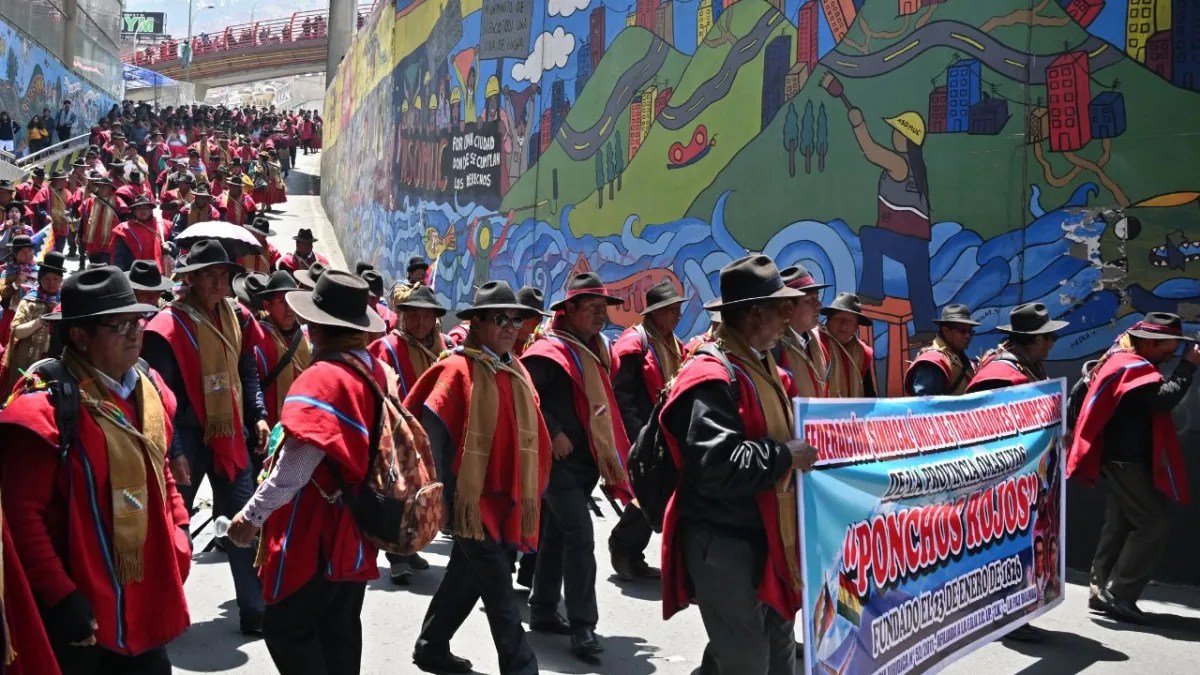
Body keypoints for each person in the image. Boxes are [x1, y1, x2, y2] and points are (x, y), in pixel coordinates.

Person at [0, 265, 191, 674]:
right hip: (83, 617)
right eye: (118, 325)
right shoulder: (46, 410)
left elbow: (161, 472)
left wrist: (180, 532)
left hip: (147, 602)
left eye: (137, 320)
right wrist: (63, 596)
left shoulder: (150, 388)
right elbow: (21, 516)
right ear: (79, 336)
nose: (135, 333)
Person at [225, 271, 398, 675]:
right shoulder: (376, 370)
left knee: (288, 629)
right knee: (339, 627)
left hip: (319, 528)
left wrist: (251, 517)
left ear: (318, 325)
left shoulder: (324, 379)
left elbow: (296, 468)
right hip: (357, 521)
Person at [657, 255, 816, 674]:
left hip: (767, 535)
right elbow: (716, 463)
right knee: (747, 660)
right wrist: (785, 455)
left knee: (776, 651)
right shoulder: (710, 376)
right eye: (780, 309)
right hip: (724, 540)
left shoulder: (764, 366)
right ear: (753, 314)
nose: (788, 318)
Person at [407, 281, 551, 675]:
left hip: (507, 499)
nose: (510, 326)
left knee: (465, 578)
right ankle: (521, 667)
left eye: (515, 318)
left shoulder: (515, 369)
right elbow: (430, 433)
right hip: (473, 504)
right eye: (499, 318)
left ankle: (431, 646)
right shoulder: (457, 369)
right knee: (500, 592)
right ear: (477, 324)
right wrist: (447, 502)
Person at [142, 240, 269, 635]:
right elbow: (161, 395)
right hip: (188, 439)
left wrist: (260, 414)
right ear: (191, 279)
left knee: (243, 521)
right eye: (209, 275)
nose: (218, 282)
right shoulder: (167, 327)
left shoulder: (238, 317)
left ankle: (254, 610)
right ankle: (161, 612)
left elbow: (248, 370)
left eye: (223, 275)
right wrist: (175, 450)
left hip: (231, 435)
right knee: (175, 529)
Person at [521, 272, 630, 660]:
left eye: (604, 309)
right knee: (581, 537)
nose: (601, 315)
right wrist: (552, 430)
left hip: (585, 464)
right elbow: (523, 393)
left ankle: (543, 608)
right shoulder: (550, 351)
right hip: (558, 464)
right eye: (593, 308)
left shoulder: (595, 348)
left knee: (556, 534)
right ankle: (584, 626)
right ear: (569, 311)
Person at [1067, 312, 1200, 624]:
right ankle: (1121, 594)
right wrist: (1189, 366)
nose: (1173, 353)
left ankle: (1101, 590)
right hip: (1125, 460)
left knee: (1120, 524)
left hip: (1117, 457)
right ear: (1152, 343)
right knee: (1154, 525)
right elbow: (1164, 400)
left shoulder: (1119, 357)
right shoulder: (1131, 367)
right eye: (1170, 347)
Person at [965, 302, 1068, 643]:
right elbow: (976, 426)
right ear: (1031, 340)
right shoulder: (1000, 375)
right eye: (1047, 337)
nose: (1052, 343)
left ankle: (1012, 611)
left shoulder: (1029, 366)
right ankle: (1004, 617)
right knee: (1004, 547)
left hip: (1026, 476)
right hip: (1000, 479)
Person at [367, 284, 448, 582]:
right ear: (403, 316)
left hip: (427, 434)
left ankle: (409, 548)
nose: (421, 323)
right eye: (414, 315)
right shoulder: (386, 348)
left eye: (427, 317)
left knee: (419, 493)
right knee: (398, 492)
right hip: (397, 433)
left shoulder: (440, 350)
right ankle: (396, 554)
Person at [610, 280, 689, 581]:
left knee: (657, 495)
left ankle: (632, 551)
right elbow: (623, 393)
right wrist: (637, 437)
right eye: (671, 310)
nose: (677, 316)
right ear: (655, 313)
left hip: (666, 434)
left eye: (678, 310)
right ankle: (623, 548)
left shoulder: (673, 344)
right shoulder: (635, 343)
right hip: (645, 435)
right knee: (646, 494)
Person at [250, 271, 311, 429]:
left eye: (291, 302)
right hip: (269, 425)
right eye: (282, 302)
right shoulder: (258, 338)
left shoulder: (308, 336)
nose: (289, 309)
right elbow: (252, 382)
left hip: (304, 422)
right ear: (267, 305)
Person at [0, 251, 65, 393]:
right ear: (40, 279)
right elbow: (17, 330)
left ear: (61, 280)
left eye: (56, 279)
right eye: (47, 279)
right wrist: (40, 321)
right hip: (25, 362)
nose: (51, 283)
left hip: (54, 365)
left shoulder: (65, 303)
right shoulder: (29, 301)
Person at [774, 264, 831, 397]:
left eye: (817, 298)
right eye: (810, 300)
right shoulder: (775, 347)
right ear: (788, 307)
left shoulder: (815, 344)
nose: (819, 306)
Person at [904, 304, 979, 396]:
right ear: (946, 331)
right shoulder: (933, 362)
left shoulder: (962, 361)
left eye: (970, 331)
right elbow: (926, 403)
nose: (968, 336)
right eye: (962, 330)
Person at [818, 292, 877, 397]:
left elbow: (869, 394)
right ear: (828, 320)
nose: (844, 325)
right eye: (839, 318)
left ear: (856, 327)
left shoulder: (861, 353)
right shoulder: (816, 345)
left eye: (850, 321)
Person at [111, 196, 166, 272]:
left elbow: (175, 246)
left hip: (156, 271)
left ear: (150, 210)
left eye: (146, 207)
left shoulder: (161, 225)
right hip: (133, 271)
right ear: (134, 211)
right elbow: (118, 256)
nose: (142, 210)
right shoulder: (125, 229)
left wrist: (170, 246)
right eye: (139, 208)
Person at [77, 177, 120, 262]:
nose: (101, 189)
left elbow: (123, 221)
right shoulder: (89, 202)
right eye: (100, 186)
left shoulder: (118, 202)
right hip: (92, 243)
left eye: (105, 187)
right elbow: (83, 220)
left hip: (109, 244)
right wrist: (79, 235)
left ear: (110, 189)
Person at [31, 170, 73, 253]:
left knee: (59, 252)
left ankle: (58, 266)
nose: (65, 181)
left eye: (65, 179)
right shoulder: (45, 191)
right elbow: (36, 205)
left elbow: (70, 207)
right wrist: (45, 215)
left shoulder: (68, 193)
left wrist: (69, 212)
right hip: (48, 227)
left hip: (62, 228)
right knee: (46, 253)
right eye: (62, 179)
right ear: (55, 180)